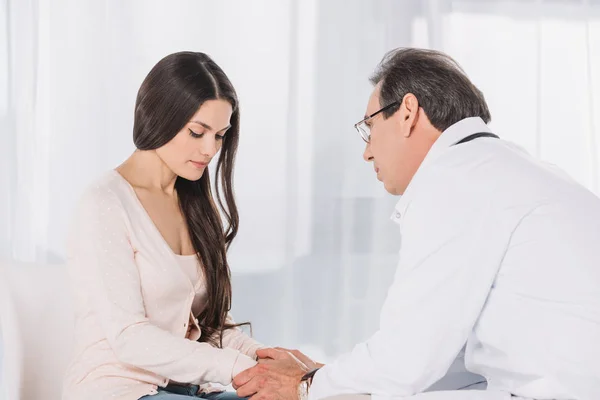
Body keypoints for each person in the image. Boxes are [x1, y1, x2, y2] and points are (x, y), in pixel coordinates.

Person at [232, 48, 600, 400]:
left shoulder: (456, 178)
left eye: (369, 127)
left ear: (407, 112)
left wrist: (307, 386)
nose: (367, 151)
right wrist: (329, 377)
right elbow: (445, 358)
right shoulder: (511, 170)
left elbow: (408, 356)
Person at [63, 51, 267, 400]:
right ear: (159, 116)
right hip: (118, 389)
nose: (209, 150)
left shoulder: (197, 206)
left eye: (219, 135)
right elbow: (129, 337)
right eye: (197, 132)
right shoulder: (106, 203)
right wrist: (235, 367)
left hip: (187, 389)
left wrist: (265, 358)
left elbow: (208, 328)